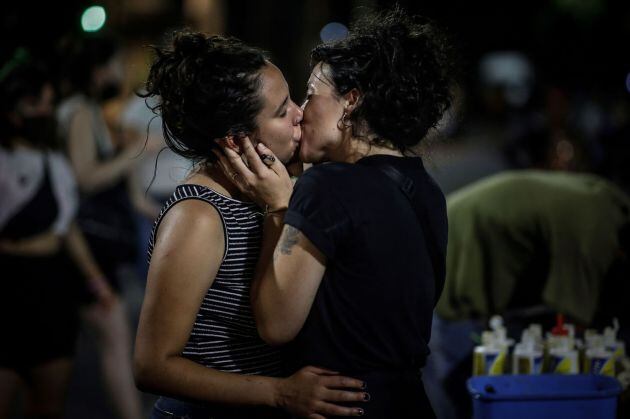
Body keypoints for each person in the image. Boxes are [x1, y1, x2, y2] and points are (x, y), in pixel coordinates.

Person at [216, 8, 456, 418]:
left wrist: (278, 208)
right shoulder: (425, 189)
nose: (301, 111)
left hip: (341, 405)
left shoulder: (327, 187)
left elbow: (276, 324)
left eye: (311, 94)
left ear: (351, 101)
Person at [133, 31, 367, 419]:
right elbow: (152, 365)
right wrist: (280, 393)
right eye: (281, 111)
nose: (300, 113)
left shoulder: (270, 189)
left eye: (293, 98)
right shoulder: (198, 217)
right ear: (234, 140)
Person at [423, 169, 630, 419]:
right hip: (451, 251)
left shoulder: (611, 202)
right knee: (456, 387)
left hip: (466, 234)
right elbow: (575, 317)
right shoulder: (595, 229)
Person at [0, 55, 114, 419]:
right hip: (6, 288)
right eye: (35, 104)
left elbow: (67, 231)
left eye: (49, 103)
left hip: (50, 289)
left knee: (49, 404)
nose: (44, 112)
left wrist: (96, 282)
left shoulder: (56, 164)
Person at [56, 35, 144, 419]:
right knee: (114, 341)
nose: (121, 72)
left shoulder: (88, 109)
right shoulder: (78, 112)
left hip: (85, 244)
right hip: (83, 245)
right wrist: (135, 153)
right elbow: (86, 177)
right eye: (116, 64)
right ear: (97, 71)